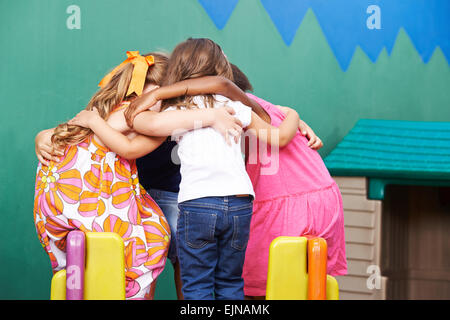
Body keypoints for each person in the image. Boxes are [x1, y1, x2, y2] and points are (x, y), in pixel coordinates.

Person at [125, 38, 301, 300]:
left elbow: (138, 120)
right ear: (222, 70)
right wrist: (294, 117)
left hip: (199, 204)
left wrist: (159, 93)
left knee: (197, 285)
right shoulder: (237, 107)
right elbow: (276, 135)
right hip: (240, 203)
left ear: (177, 71)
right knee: (230, 282)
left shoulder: (176, 109)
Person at [33, 51, 172, 300]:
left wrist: (41, 138)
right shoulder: (142, 114)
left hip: (53, 210)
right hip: (86, 201)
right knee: (156, 234)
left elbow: (53, 133)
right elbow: (135, 143)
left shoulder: (103, 109)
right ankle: (133, 291)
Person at [230, 64, 348, 299]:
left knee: (266, 284)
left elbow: (279, 138)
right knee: (307, 282)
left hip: (285, 203)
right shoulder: (269, 107)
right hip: (321, 194)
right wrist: (294, 115)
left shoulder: (235, 106)